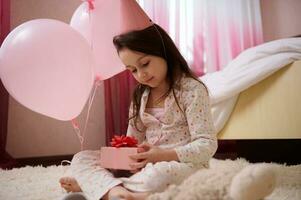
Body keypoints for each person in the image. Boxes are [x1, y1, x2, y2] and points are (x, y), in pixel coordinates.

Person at [60, 23, 217, 200]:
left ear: (162, 50)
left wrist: (163, 155)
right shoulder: (140, 96)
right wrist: (127, 160)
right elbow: (132, 143)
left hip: (181, 165)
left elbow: (207, 145)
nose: (141, 74)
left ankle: (99, 187)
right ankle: (115, 192)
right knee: (82, 158)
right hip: (144, 165)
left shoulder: (191, 90)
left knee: (158, 175)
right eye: (133, 70)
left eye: (145, 64)